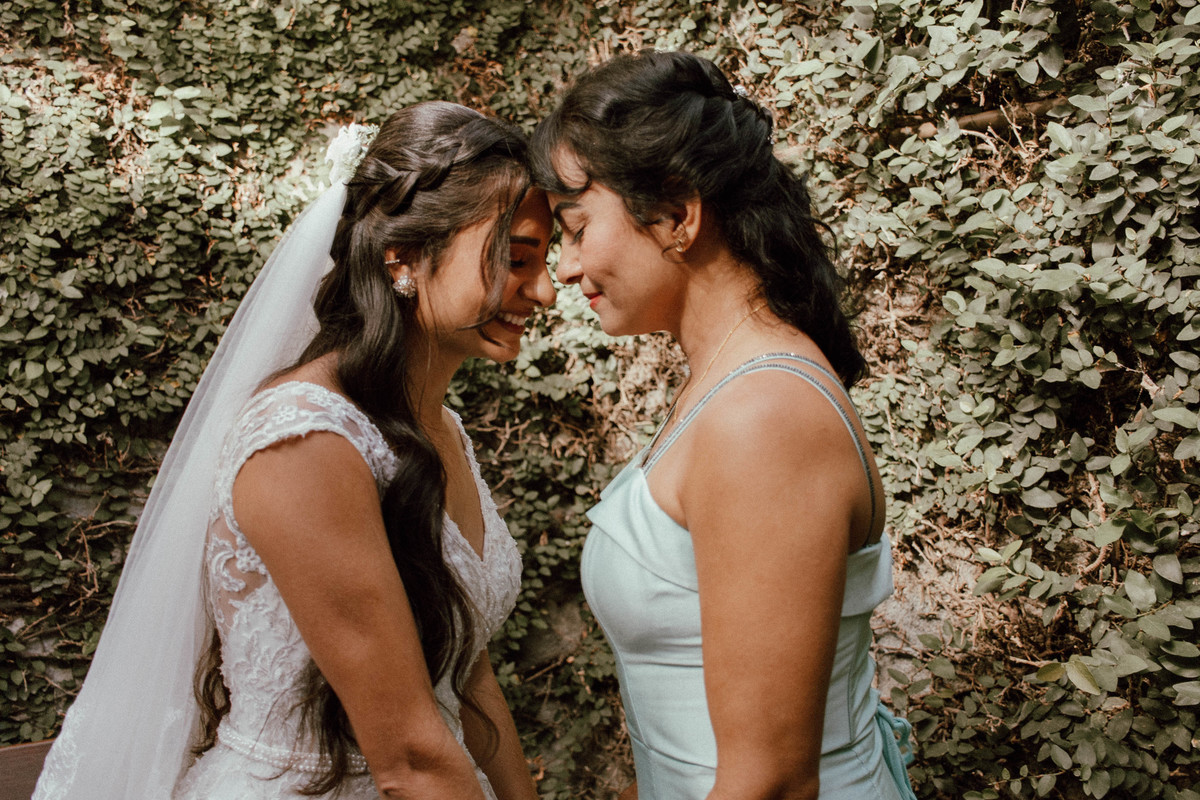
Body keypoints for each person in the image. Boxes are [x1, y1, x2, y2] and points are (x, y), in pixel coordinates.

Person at [32, 101, 555, 800]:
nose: (546, 291)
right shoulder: (305, 441)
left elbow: (468, 672)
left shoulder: (443, 429)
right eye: (516, 259)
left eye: (544, 262)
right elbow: (407, 757)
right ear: (403, 258)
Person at [530, 51, 918, 800]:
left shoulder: (764, 417)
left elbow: (770, 781)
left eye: (576, 229)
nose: (566, 268)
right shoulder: (727, 387)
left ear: (679, 215)